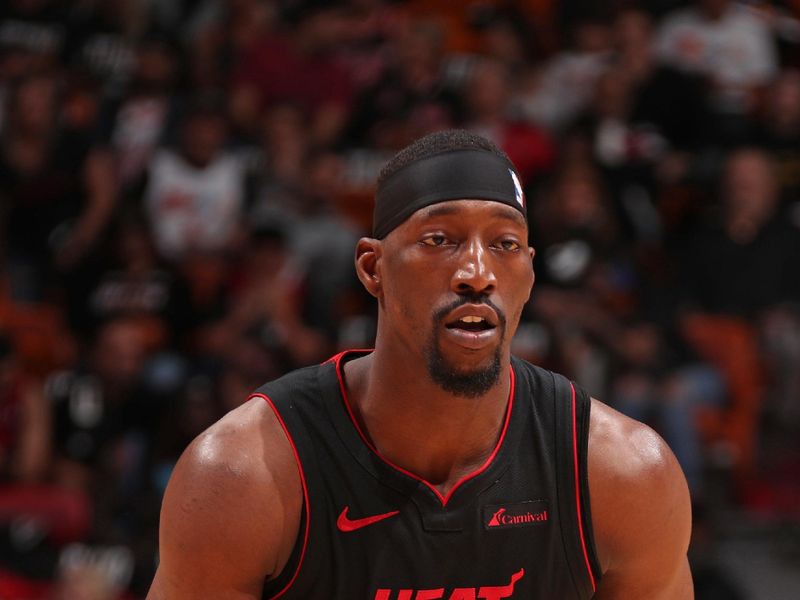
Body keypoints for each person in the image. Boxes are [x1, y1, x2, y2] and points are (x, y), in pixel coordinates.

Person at [147, 130, 692, 599]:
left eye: (505, 244)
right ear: (371, 267)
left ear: (529, 271)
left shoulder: (622, 477)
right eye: (440, 240)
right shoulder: (243, 477)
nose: (477, 273)